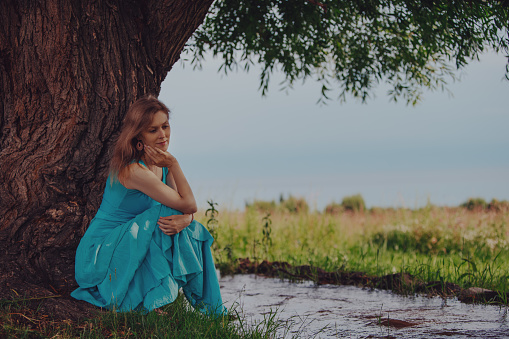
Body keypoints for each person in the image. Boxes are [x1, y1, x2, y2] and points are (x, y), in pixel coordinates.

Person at [71, 95, 225, 315]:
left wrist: (187, 219)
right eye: (153, 130)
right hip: (100, 252)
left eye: (165, 126)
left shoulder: (160, 164)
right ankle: (201, 305)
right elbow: (188, 204)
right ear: (138, 137)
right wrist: (174, 163)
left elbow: (185, 208)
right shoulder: (133, 170)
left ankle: (209, 308)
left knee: (189, 227)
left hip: (133, 239)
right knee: (167, 215)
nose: (163, 134)